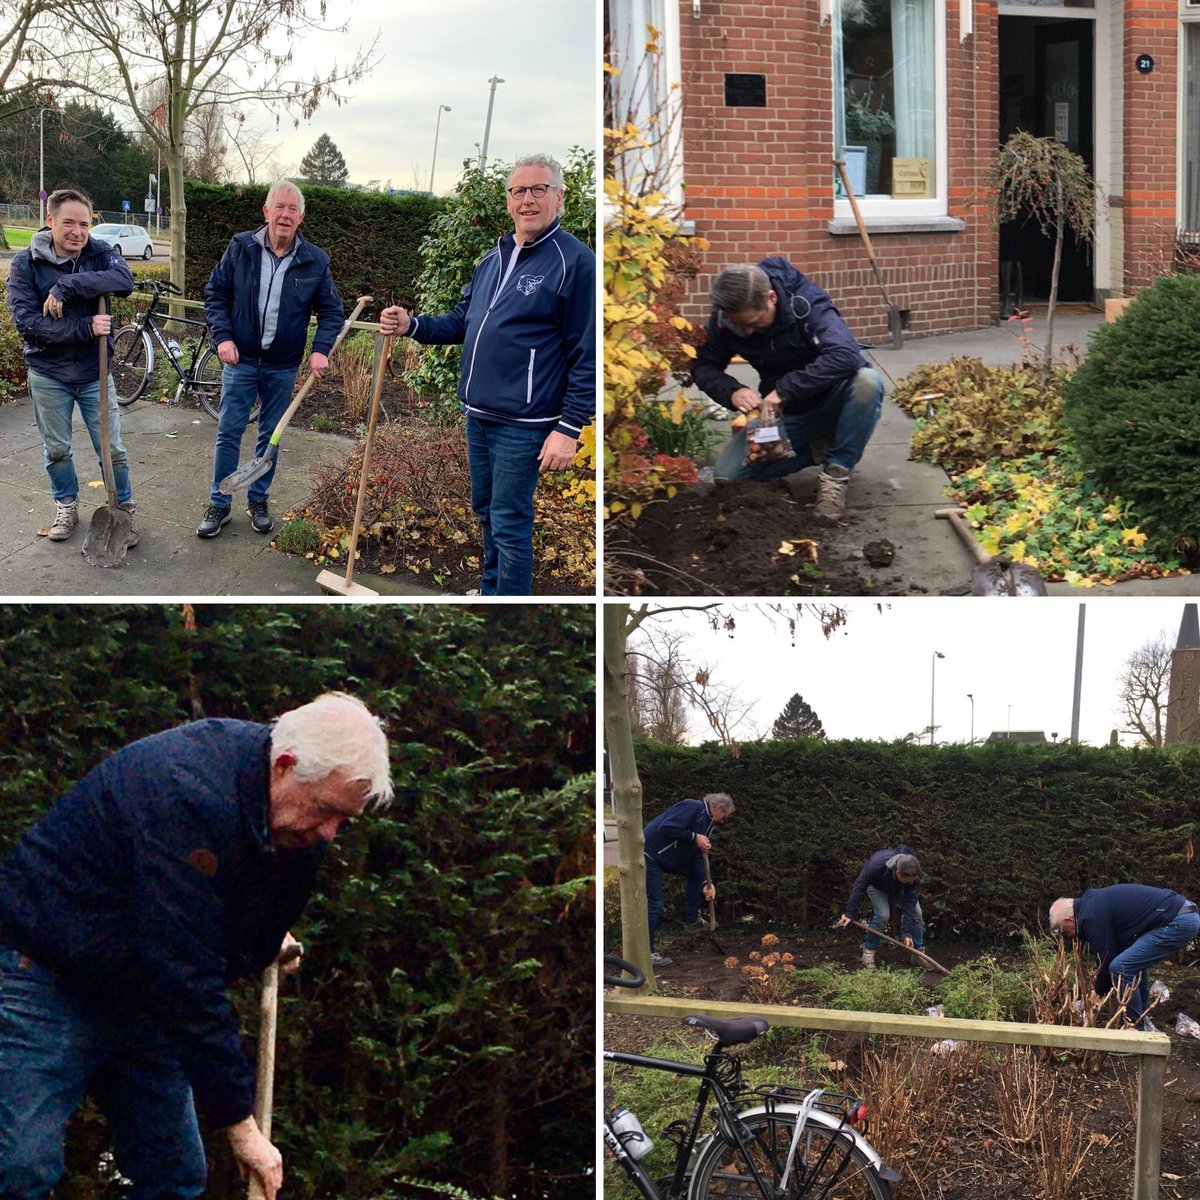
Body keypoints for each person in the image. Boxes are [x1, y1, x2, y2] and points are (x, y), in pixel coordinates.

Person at [0, 692, 392, 1200]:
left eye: (345, 818)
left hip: (141, 991)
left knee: (175, 1178)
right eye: (326, 811)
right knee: (17, 1170)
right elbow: (185, 968)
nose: (331, 833)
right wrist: (242, 1127)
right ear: (286, 766)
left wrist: (263, 941)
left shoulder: (300, 825)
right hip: (46, 976)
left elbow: (230, 910)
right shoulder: (184, 789)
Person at [379, 153, 595, 595]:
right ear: (508, 200)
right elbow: (465, 319)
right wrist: (413, 325)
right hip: (478, 413)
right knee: (485, 512)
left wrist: (569, 428)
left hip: (525, 423)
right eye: (519, 191)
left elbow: (587, 352)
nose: (527, 200)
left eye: (539, 190)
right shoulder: (492, 258)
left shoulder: (575, 262)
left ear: (559, 198)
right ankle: (492, 591)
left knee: (511, 523)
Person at [198, 179, 345, 539]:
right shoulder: (241, 247)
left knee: (271, 437)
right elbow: (215, 294)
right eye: (279, 207)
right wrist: (224, 338)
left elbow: (332, 313)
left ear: (301, 217)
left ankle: (258, 499)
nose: (285, 214)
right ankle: (219, 504)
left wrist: (320, 350)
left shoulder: (314, 261)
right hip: (241, 361)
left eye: (292, 209)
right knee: (229, 432)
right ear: (266, 211)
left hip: (282, 366)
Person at [691, 257, 885, 524]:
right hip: (788, 414)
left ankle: (837, 471)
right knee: (728, 477)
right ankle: (819, 447)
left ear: (772, 298)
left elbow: (845, 355)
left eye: (755, 323)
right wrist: (731, 391)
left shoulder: (807, 304)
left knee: (868, 382)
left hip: (835, 399)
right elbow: (702, 366)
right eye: (740, 325)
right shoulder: (726, 318)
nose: (747, 332)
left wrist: (784, 390)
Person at [5, 187, 138, 545]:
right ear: (49, 221)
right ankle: (66, 506)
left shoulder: (99, 252)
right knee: (57, 449)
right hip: (49, 374)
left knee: (112, 449)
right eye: (68, 223)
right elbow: (28, 324)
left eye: (84, 224)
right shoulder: (25, 264)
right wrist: (85, 328)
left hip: (95, 373)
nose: (78, 232)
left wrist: (68, 285)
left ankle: (123, 510)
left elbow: (124, 281)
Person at [1048, 884, 1199, 1031]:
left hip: (1177, 922)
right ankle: (1141, 1021)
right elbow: (1111, 952)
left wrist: (1097, 992)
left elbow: (1107, 961)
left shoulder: (1090, 916)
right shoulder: (1092, 905)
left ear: (1069, 920)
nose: (1069, 936)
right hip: (1183, 914)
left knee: (1121, 967)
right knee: (1129, 963)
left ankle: (1133, 1032)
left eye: (1065, 931)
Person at [642, 793, 735, 967]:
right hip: (649, 855)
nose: (723, 820)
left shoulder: (708, 824)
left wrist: (706, 884)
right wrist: (694, 836)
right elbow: (666, 827)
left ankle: (692, 921)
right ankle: (646, 953)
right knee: (655, 903)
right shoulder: (693, 806)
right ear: (718, 808)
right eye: (725, 816)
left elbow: (697, 856)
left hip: (665, 858)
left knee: (695, 875)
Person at [838, 847, 924, 969]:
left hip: (899, 888)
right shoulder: (876, 865)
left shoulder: (914, 874)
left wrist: (907, 932)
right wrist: (850, 913)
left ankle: (918, 954)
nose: (912, 883)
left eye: (913, 881)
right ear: (898, 873)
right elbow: (860, 886)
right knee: (883, 915)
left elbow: (910, 904)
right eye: (909, 881)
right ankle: (869, 951)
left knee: (917, 913)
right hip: (876, 886)